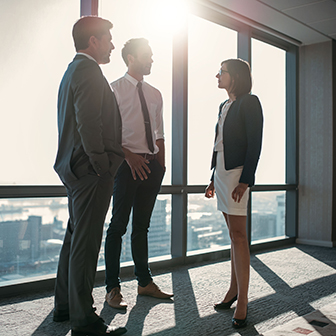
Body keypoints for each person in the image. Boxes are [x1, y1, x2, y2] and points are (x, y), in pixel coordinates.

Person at [53, 16, 127, 336]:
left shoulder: (72, 71)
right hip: (89, 172)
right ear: (93, 41)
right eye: (108, 38)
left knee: (75, 239)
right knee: (86, 244)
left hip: (73, 169)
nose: (112, 44)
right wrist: (103, 165)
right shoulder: (88, 70)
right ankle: (84, 321)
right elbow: (88, 123)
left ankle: (65, 307)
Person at [104, 38, 173, 309]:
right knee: (117, 226)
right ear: (131, 58)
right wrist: (128, 157)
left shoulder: (155, 93)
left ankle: (144, 283)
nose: (152, 59)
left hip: (151, 165)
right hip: (125, 165)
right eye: (147, 55)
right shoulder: (114, 90)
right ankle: (112, 288)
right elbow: (108, 133)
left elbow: (159, 132)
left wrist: (162, 164)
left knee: (142, 227)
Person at [205, 59, 263, 329]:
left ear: (235, 77)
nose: (217, 75)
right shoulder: (223, 105)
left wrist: (246, 180)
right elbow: (219, 145)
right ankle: (233, 289)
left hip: (237, 174)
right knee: (233, 236)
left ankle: (243, 301)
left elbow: (255, 143)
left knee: (239, 236)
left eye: (222, 72)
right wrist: (211, 178)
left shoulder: (250, 103)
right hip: (222, 173)